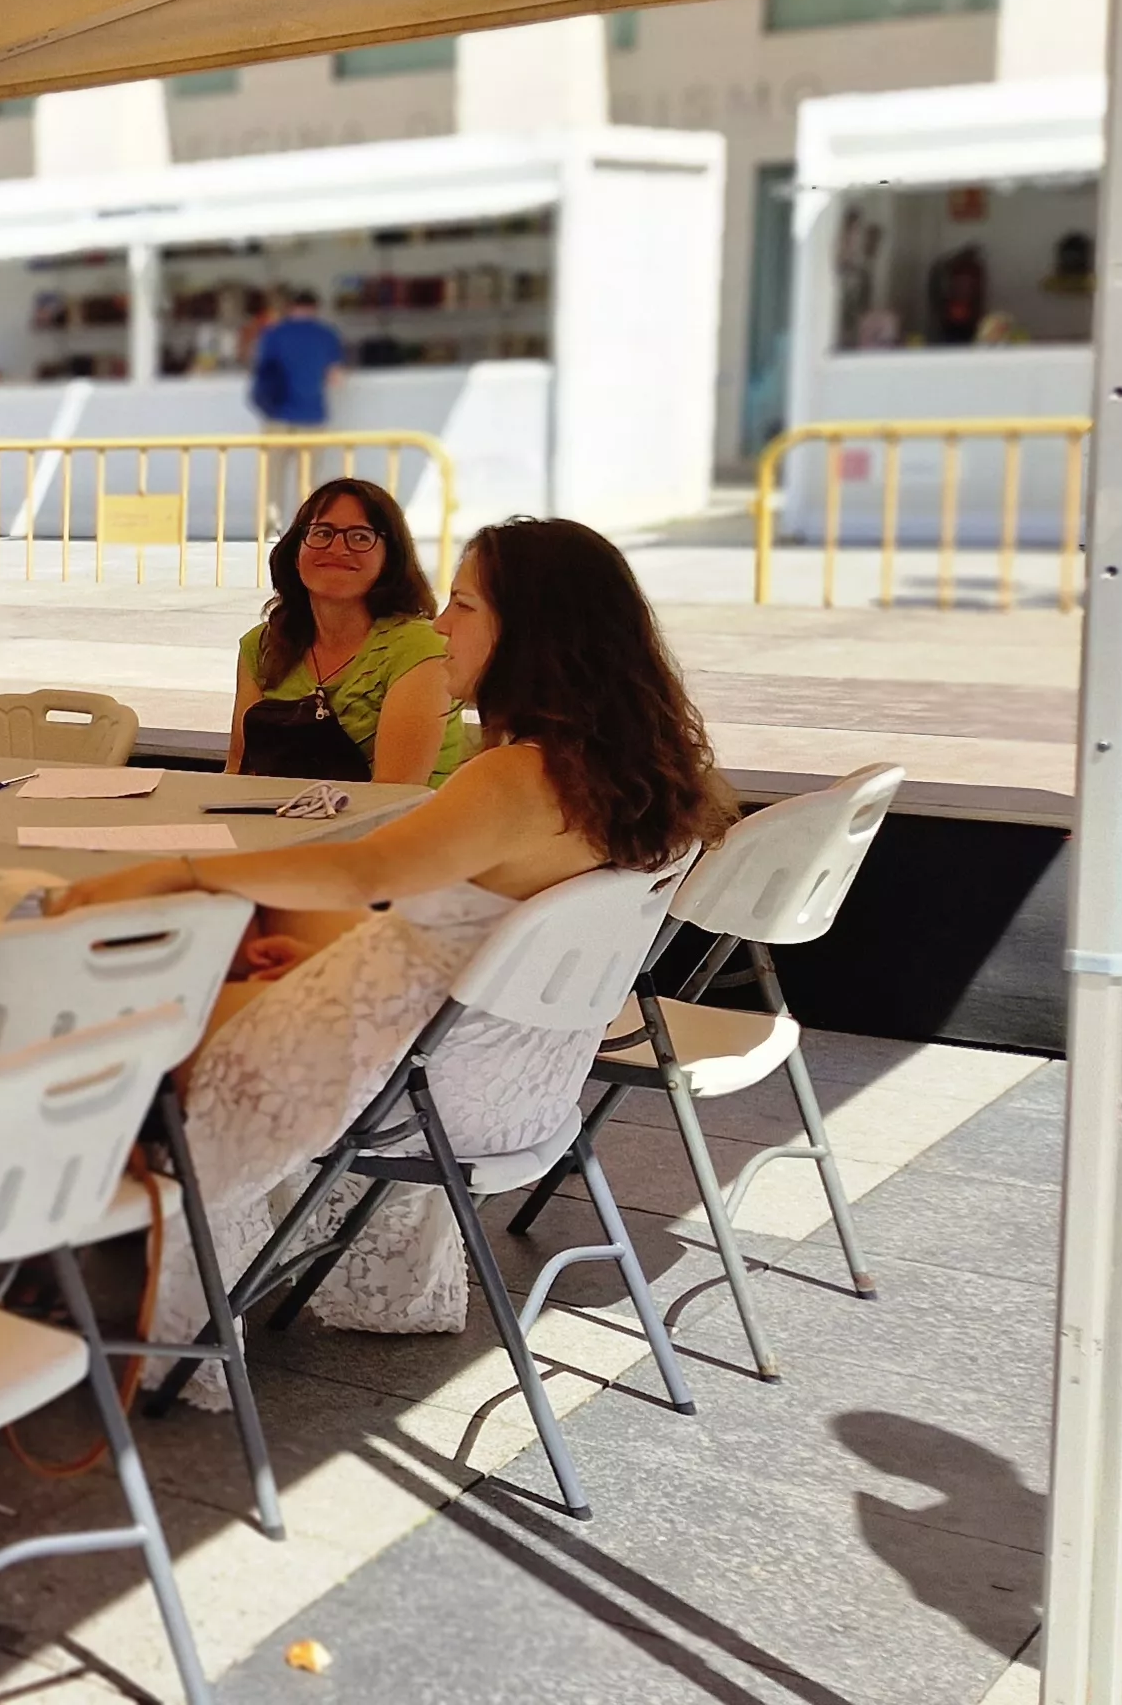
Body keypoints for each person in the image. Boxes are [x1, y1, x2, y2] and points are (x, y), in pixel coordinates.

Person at [53, 518, 729, 1362]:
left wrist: (190, 872)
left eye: (464, 604)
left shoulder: (518, 777)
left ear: (536, 634)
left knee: (126, 1010)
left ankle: (68, 1263)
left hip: (423, 1085)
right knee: (209, 980)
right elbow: (432, 907)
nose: (442, 626)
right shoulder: (634, 771)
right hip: (514, 1077)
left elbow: (359, 875)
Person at [228, 478, 471, 788]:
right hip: (283, 825)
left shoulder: (420, 648)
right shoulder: (262, 645)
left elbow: (391, 795)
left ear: (391, 558)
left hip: (395, 831)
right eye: (323, 533)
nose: (338, 549)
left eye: (360, 537)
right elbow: (238, 773)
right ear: (294, 551)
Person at [247, 292, 343, 497]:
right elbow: (335, 378)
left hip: (276, 416)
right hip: (312, 416)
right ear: (316, 308)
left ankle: (270, 528)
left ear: (290, 308)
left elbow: (259, 368)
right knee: (307, 483)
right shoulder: (327, 335)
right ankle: (304, 527)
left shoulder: (273, 334)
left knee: (271, 480)